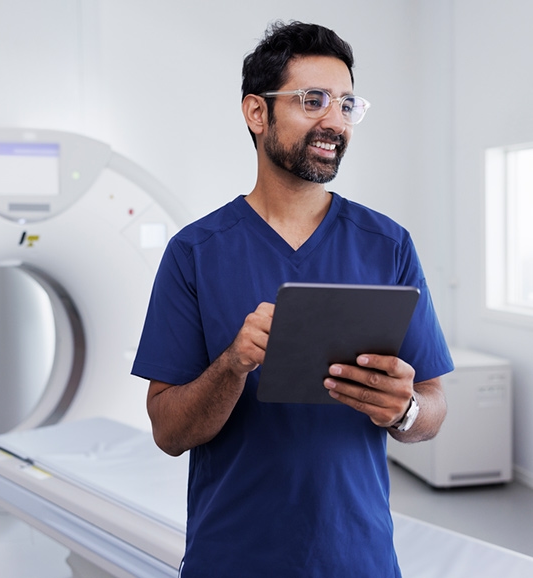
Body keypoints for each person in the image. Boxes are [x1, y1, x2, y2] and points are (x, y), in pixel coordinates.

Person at [131, 20, 453, 577]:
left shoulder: (388, 244)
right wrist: (233, 365)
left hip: (359, 558)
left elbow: (432, 408)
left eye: (348, 105)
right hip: (232, 558)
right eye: (314, 100)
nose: (336, 121)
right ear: (257, 113)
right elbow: (168, 431)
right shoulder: (196, 253)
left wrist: (405, 410)